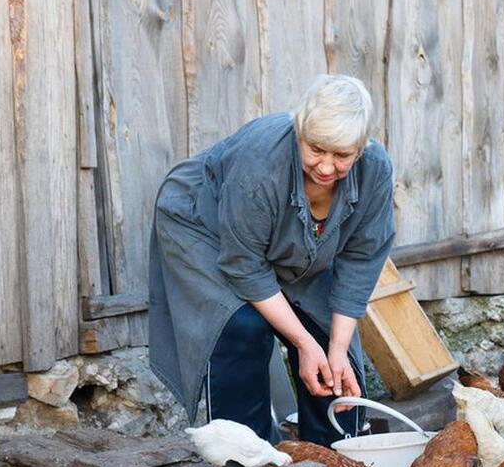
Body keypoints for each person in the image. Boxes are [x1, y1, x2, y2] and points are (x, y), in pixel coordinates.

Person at [149, 75, 395, 446]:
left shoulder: (375, 170)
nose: (327, 167)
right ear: (299, 133)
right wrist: (302, 345)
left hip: (285, 238)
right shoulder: (261, 164)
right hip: (205, 223)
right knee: (243, 326)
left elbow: (361, 261)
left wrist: (335, 349)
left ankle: (331, 456)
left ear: (361, 149)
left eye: (342, 155)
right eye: (316, 150)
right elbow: (244, 265)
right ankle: (248, 461)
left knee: (325, 334)